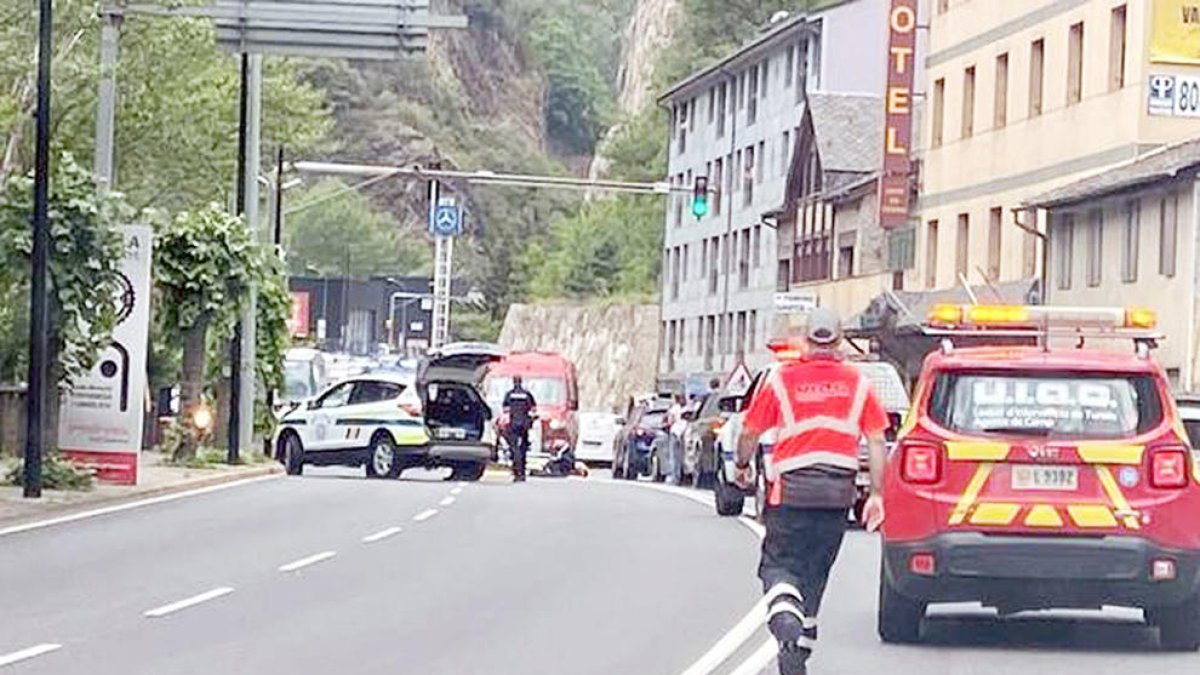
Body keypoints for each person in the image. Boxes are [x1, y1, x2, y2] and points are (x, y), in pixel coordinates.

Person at [735, 307, 887, 675]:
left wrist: (741, 465)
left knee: (779, 565)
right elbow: (877, 441)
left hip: (791, 493)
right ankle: (797, 654)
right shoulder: (859, 384)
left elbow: (750, 432)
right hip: (836, 497)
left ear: (805, 340)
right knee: (816, 573)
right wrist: (876, 495)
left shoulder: (781, 380)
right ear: (839, 341)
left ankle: (785, 614)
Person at [502, 375, 537, 483]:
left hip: (513, 424)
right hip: (524, 424)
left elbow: (505, 410)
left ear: (513, 382)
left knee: (514, 448)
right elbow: (533, 409)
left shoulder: (509, 394)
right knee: (523, 448)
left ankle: (517, 472)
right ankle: (522, 472)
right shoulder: (527, 394)